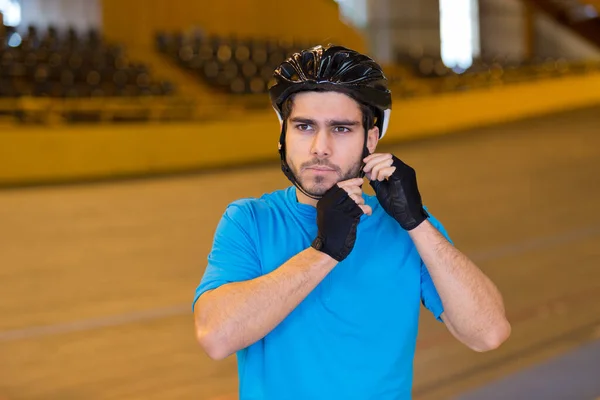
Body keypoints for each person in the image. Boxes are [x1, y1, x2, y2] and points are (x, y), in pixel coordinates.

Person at [192, 44, 511, 400]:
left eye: (341, 129)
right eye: (304, 126)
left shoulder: (406, 229)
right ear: (283, 136)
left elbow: (488, 333)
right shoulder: (249, 220)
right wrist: (324, 251)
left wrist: (418, 222)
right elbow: (216, 337)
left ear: (370, 140)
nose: (320, 147)